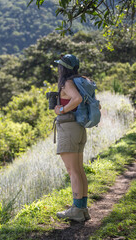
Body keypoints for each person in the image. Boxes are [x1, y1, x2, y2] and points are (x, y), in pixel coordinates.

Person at [54, 54, 90, 222]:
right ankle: (82, 209)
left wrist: (61, 110)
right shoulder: (80, 80)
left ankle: (76, 209)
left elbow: (77, 99)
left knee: (73, 171)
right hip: (79, 129)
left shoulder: (67, 83)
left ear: (63, 68)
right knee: (79, 170)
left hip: (69, 128)